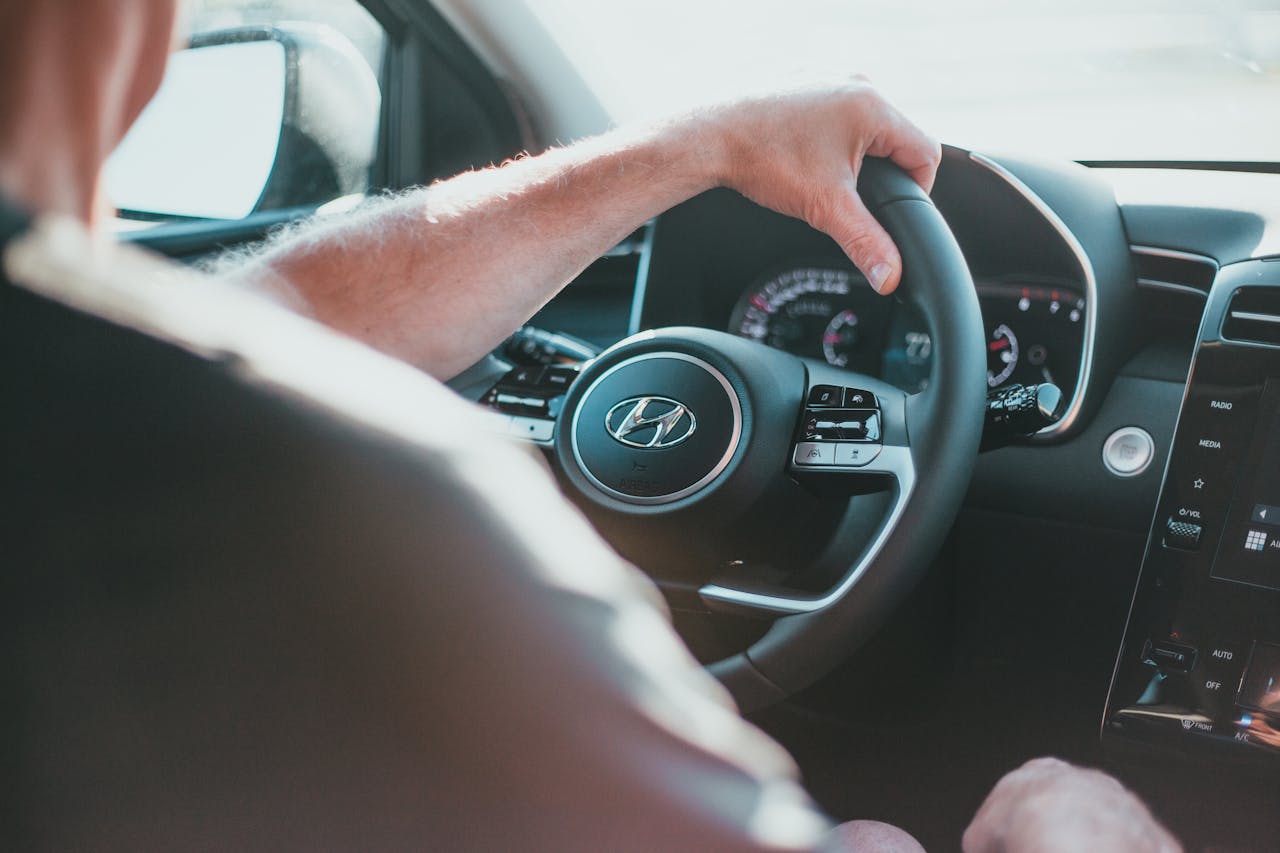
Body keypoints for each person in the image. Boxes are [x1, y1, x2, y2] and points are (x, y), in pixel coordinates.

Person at [1, 2, 1180, 851]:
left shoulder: (93, 408)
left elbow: (276, 317)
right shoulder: (345, 493)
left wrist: (698, 145)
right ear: (133, 29)